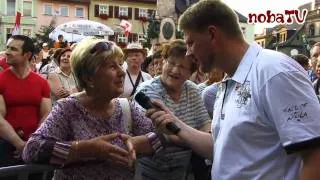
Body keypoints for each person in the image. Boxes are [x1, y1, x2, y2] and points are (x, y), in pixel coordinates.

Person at [144, 1, 320, 179]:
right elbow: (221, 149)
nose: (188, 53)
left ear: (212, 34)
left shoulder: (273, 72)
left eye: (191, 43)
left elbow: (315, 157)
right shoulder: (230, 80)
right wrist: (175, 124)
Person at [22, 38, 164, 179]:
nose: (122, 72)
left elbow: (162, 138)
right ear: (89, 78)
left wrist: (138, 144)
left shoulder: (127, 106)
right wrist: (85, 149)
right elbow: (32, 149)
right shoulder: (68, 108)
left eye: (120, 65)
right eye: (112, 66)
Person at [134, 39, 211, 180]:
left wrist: (182, 137)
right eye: (172, 63)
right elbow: (161, 136)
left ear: (191, 73)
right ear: (163, 62)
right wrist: (198, 141)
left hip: (186, 171)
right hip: (153, 172)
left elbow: (205, 125)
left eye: (182, 67)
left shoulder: (192, 89)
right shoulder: (147, 90)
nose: (175, 70)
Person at [0, 35, 51, 166]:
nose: (7, 52)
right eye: (7, 48)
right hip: (5, 144)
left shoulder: (42, 82)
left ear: (27, 55)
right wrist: (19, 144)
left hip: (35, 144)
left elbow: (46, 116)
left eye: (13, 49)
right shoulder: (1, 80)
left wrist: (31, 142)